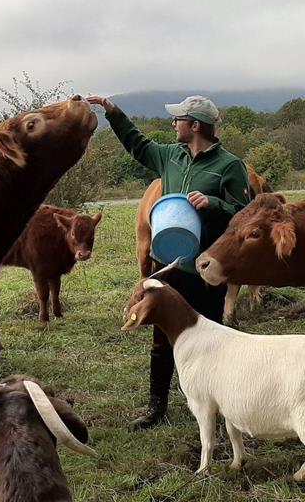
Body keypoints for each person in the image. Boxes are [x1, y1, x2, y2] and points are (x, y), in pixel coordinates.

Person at [87, 94, 250, 429]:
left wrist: (214, 204)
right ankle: (156, 407)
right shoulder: (169, 157)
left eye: (178, 119)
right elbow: (136, 144)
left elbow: (245, 216)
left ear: (194, 125)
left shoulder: (229, 166)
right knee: (161, 339)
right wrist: (113, 113)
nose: (172, 124)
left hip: (206, 270)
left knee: (210, 340)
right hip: (169, 266)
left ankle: (215, 408)